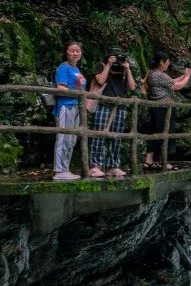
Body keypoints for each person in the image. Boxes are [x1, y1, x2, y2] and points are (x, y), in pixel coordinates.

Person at [88, 47, 136, 178]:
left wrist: (127, 68)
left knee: (116, 137)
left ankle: (113, 166)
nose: (116, 60)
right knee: (99, 135)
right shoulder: (101, 66)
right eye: (113, 57)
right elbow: (100, 80)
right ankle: (95, 166)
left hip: (119, 107)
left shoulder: (123, 69)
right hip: (104, 105)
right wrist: (108, 65)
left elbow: (132, 87)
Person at [143, 51, 191, 170]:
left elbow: (172, 81)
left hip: (158, 108)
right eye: (167, 62)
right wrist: (187, 77)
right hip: (163, 108)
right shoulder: (159, 75)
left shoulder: (153, 74)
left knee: (157, 132)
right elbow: (177, 86)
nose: (168, 64)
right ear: (161, 62)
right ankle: (159, 161)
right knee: (162, 133)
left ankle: (155, 160)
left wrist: (183, 76)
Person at [52, 41, 86, 181]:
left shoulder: (77, 70)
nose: (75, 53)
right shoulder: (63, 68)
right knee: (62, 138)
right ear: (66, 52)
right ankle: (59, 170)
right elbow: (61, 87)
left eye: (77, 51)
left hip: (76, 106)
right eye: (72, 50)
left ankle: (65, 169)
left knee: (71, 140)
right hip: (65, 106)